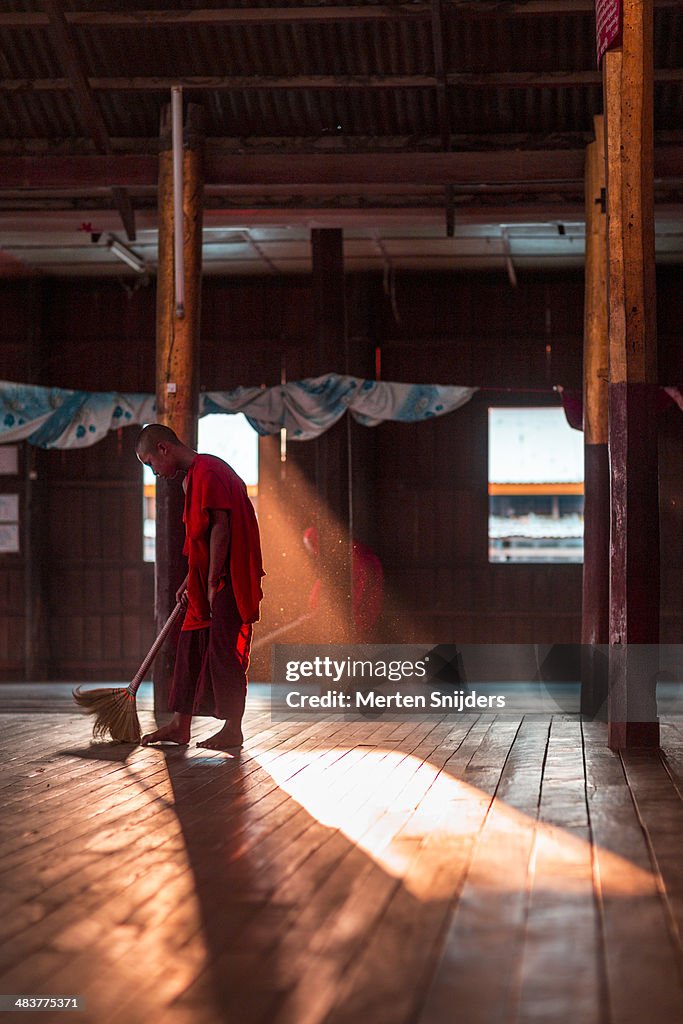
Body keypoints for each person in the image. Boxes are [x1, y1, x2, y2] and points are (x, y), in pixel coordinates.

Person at [135, 423, 264, 750]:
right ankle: (180, 726)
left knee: (224, 652)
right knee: (189, 647)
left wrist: (209, 582)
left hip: (226, 578)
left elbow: (221, 529)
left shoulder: (208, 470)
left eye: (150, 463)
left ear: (164, 449)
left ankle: (232, 729)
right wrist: (187, 579)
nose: (155, 472)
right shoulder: (191, 479)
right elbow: (201, 538)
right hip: (205, 579)